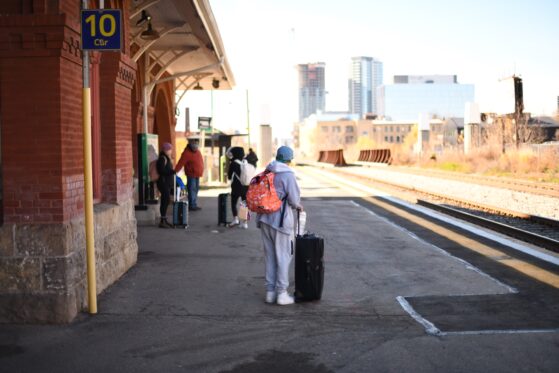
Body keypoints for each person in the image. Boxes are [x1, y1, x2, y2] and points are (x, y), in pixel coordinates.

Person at [256, 146, 302, 306]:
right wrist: (299, 206)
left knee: (270, 256)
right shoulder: (288, 175)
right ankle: (282, 294)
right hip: (280, 221)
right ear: (289, 159)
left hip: (264, 219)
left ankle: (270, 292)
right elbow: (294, 200)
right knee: (283, 256)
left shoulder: (267, 171)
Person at [175, 138, 204, 211]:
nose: (195, 145)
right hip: (191, 174)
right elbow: (180, 163)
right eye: (194, 143)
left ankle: (194, 203)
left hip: (198, 174)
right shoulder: (186, 153)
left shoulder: (198, 151)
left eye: (197, 143)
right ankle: (192, 205)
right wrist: (175, 171)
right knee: (191, 189)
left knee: (196, 189)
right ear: (190, 144)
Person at [227, 147, 248, 229]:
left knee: (233, 203)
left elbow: (229, 176)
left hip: (236, 186)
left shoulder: (233, 163)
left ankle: (235, 218)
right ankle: (245, 223)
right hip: (245, 186)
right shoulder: (245, 162)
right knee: (244, 204)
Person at [156, 143, 175, 228]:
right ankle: (162, 220)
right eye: (170, 149)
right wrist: (172, 172)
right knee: (165, 200)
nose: (171, 151)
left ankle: (163, 219)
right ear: (166, 150)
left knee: (166, 200)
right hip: (163, 183)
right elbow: (161, 171)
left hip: (166, 183)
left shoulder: (166, 158)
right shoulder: (162, 158)